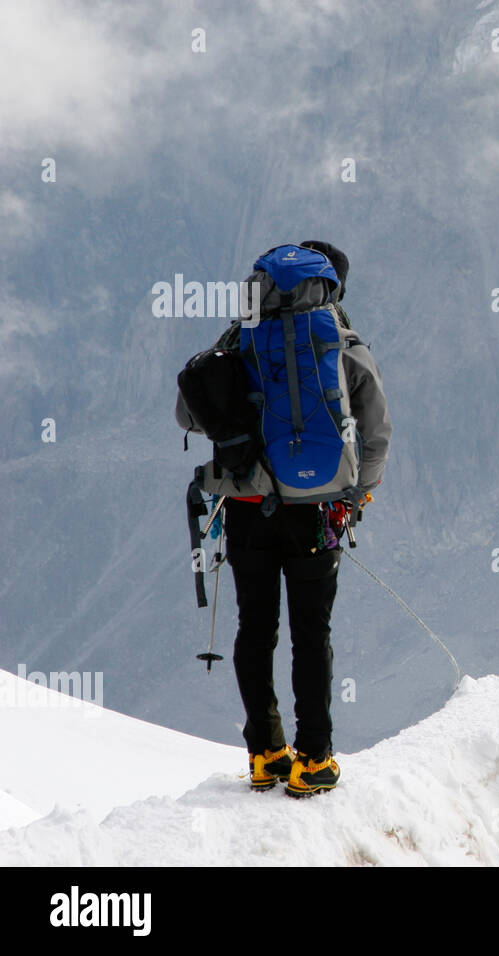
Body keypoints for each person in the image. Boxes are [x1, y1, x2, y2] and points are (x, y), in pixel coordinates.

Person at [176, 240, 391, 796]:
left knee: (256, 629)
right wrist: (356, 496)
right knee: (310, 633)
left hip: (247, 508)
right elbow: (376, 430)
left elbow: (188, 409)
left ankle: (265, 753)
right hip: (317, 510)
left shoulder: (240, 340)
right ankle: (313, 759)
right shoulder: (341, 344)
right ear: (331, 288)